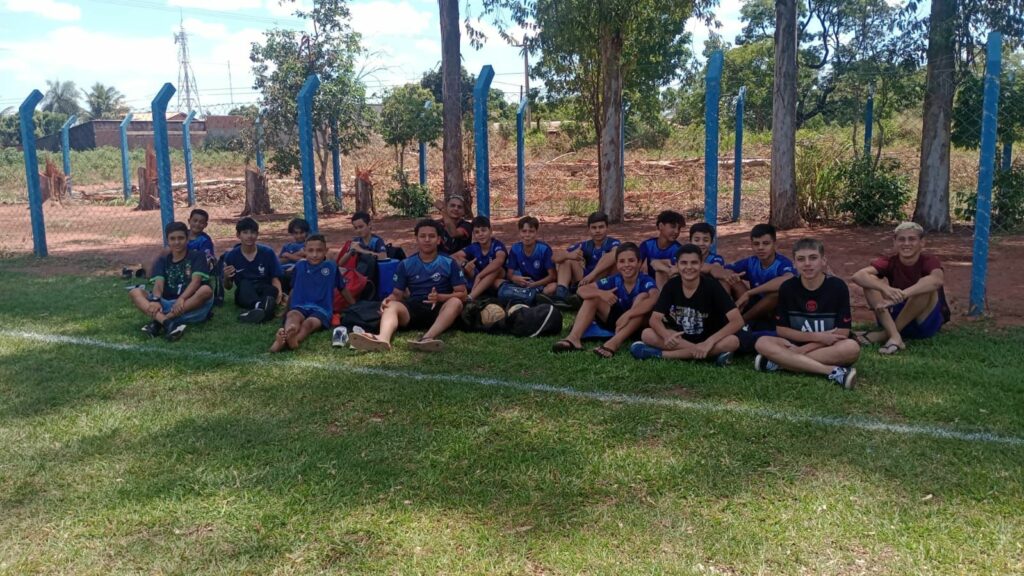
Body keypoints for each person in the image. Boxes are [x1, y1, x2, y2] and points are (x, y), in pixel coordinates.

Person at [753, 238, 860, 389]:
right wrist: (817, 337)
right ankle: (831, 371)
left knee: (851, 348)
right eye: (801, 259)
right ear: (794, 263)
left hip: (826, 346)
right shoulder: (787, 287)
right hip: (794, 344)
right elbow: (781, 330)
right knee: (762, 342)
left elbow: (842, 332)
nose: (807, 263)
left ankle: (780, 363)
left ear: (823, 261)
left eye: (813, 258)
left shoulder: (838, 286)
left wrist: (803, 350)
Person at [349, 220, 467, 353]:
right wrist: (389, 299)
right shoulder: (405, 264)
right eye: (422, 236)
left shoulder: (449, 262)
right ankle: (383, 339)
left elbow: (463, 294)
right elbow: (397, 294)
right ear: (416, 239)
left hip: (440, 309)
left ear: (439, 240)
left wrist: (440, 297)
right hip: (414, 309)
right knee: (391, 305)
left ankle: (427, 338)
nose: (427, 240)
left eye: (431, 236)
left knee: (456, 302)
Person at [630, 244, 742, 364]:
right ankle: (707, 354)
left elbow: (737, 321)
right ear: (677, 265)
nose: (689, 267)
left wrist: (709, 342)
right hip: (680, 339)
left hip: (707, 338)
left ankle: (661, 355)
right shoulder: (671, 285)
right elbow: (654, 319)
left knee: (733, 341)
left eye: (694, 263)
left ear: (701, 265)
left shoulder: (712, 286)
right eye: (683, 263)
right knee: (647, 334)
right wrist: (666, 335)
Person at [850, 221, 949, 355]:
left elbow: (937, 280)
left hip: (921, 322)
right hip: (892, 318)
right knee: (870, 283)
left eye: (912, 239)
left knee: (925, 287)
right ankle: (894, 335)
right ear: (895, 242)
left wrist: (903, 295)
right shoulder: (890, 261)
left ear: (922, 242)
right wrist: (885, 289)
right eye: (901, 239)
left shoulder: (929, 261)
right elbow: (858, 276)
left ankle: (884, 335)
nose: (906, 243)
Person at [553, 242, 659, 358]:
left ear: (639, 263)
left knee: (642, 297)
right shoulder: (615, 279)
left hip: (638, 326)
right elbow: (581, 290)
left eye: (631, 260)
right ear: (617, 264)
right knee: (593, 298)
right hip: (616, 322)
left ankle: (613, 343)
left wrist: (629, 314)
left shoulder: (645, 280)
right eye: (622, 261)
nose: (626, 265)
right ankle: (573, 339)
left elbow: (655, 297)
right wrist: (601, 293)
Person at [129, 221, 214, 342]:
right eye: (172, 239)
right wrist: (156, 300)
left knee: (206, 290)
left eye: (181, 238)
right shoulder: (163, 260)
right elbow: (159, 284)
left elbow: (196, 282)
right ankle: (168, 323)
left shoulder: (197, 256)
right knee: (135, 292)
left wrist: (182, 298)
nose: (177, 242)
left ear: (187, 239)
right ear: (167, 241)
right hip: (167, 303)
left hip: (189, 305)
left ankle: (159, 322)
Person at [270, 234, 354, 353]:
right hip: (300, 306)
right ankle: (284, 338)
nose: (315, 254)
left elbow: (342, 289)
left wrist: (355, 305)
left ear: (326, 251)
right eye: (310, 250)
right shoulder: (300, 266)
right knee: (292, 316)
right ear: (304, 251)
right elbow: (293, 289)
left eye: (319, 250)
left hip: (321, 310)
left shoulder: (331, 267)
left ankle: (294, 340)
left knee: (309, 324)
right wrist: (286, 311)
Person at [723, 223, 795, 328]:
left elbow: (788, 279)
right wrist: (731, 276)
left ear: (774, 244)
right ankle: (725, 315)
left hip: (774, 310)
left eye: (766, 243)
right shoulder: (751, 262)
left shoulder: (782, 263)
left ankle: (741, 322)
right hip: (753, 304)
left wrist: (749, 293)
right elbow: (724, 270)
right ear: (751, 245)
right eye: (756, 244)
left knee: (776, 294)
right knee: (730, 279)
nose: (760, 248)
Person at [222, 217, 285, 323]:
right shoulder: (231, 256)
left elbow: (275, 277)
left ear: (257, 234)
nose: (249, 236)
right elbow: (228, 287)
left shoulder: (267, 252)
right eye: (245, 232)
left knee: (271, 290)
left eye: (253, 232)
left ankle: (255, 312)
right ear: (238, 235)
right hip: (245, 291)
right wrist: (226, 277)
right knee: (244, 284)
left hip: (264, 288)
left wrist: (279, 294)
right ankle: (263, 307)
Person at [552, 211, 620, 303]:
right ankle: (561, 295)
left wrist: (592, 275)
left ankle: (578, 296)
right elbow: (554, 258)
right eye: (594, 228)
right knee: (566, 260)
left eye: (601, 227)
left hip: (603, 281)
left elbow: (615, 254)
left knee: (614, 257)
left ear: (607, 228)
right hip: (584, 280)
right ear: (589, 230)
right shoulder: (585, 245)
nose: (597, 231)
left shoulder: (613, 243)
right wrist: (569, 255)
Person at [453, 215, 507, 300]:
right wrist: (464, 264)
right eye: (477, 232)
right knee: (463, 265)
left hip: (496, 278)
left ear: (490, 231)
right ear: (474, 235)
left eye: (483, 230)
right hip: (478, 280)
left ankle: (470, 297)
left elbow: (499, 260)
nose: (481, 234)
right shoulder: (474, 247)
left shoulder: (497, 245)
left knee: (497, 269)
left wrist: (480, 276)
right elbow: (453, 256)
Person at [505, 216, 558, 297]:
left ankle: (533, 296)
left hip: (541, 284)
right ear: (519, 232)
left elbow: (552, 276)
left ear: (536, 232)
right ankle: (533, 296)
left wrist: (534, 284)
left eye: (531, 231)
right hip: (523, 284)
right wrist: (514, 278)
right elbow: (509, 274)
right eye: (524, 231)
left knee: (553, 287)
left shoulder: (544, 249)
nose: (527, 235)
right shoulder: (515, 248)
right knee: (500, 284)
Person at [638, 210, 685, 288]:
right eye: (673, 227)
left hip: (670, 286)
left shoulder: (678, 249)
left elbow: (675, 272)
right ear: (661, 226)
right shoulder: (647, 245)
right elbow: (636, 265)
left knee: (661, 270)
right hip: (650, 285)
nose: (677, 231)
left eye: (679, 228)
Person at [278, 217, 310, 293]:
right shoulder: (287, 246)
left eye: (301, 233)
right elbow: (280, 260)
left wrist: (289, 255)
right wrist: (298, 254)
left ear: (306, 232)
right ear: (292, 233)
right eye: (296, 233)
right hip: (285, 270)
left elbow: (309, 260)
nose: (299, 236)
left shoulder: (309, 245)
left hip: (300, 271)